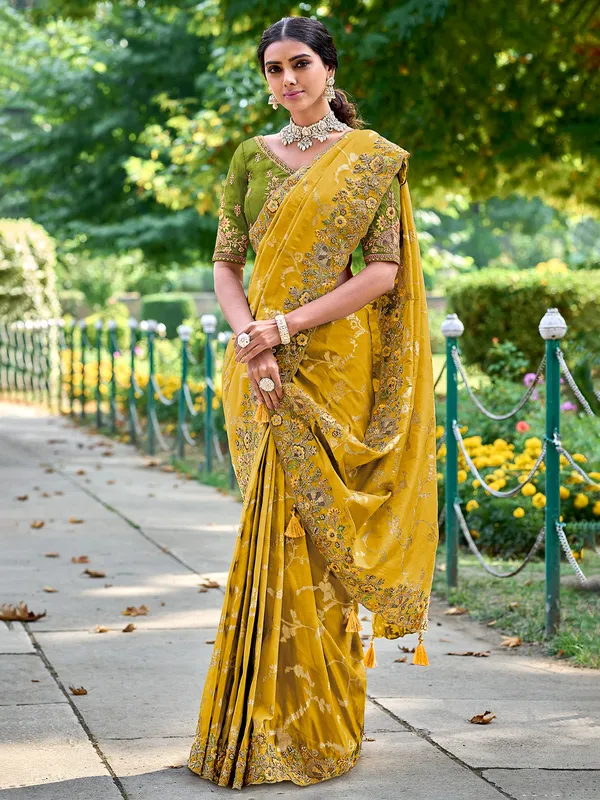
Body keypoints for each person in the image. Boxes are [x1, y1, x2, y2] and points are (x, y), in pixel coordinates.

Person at [188, 14, 438, 790]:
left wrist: (285, 324)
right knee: (271, 531)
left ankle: (321, 728)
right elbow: (228, 266)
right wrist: (250, 339)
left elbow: (384, 273)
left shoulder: (373, 161)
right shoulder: (248, 159)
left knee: (320, 548)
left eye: (300, 64)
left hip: (332, 364)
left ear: (329, 69)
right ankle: (251, 726)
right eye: (273, 70)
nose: (287, 80)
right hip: (259, 364)